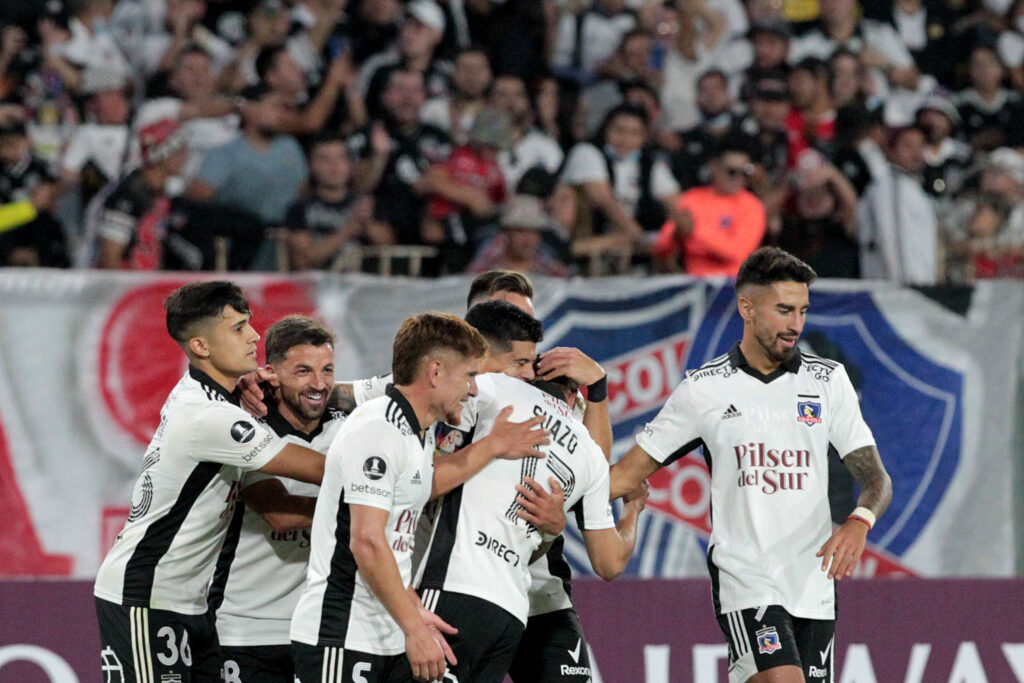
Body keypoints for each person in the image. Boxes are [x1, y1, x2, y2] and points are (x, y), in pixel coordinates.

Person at [610, 246, 893, 683]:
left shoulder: (827, 381)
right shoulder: (705, 390)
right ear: (747, 307)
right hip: (748, 580)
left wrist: (859, 521)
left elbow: (876, 478)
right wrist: (562, 493)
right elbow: (625, 475)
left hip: (813, 586)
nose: (795, 324)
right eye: (783, 310)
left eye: (801, 310)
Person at [289, 311, 546, 682]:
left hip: (383, 633)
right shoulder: (379, 428)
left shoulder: (417, 434)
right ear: (436, 372)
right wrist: (413, 626)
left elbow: (427, 483)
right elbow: (367, 541)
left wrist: (492, 446)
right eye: (470, 376)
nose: (473, 389)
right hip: (341, 634)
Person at [93, 281, 328, 683]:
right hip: (147, 596)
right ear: (201, 347)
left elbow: (277, 501)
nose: (254, 335)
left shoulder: (217, 398)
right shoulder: (209, 417)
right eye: (237, 329)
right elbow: (322, 468)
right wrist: (386, 471)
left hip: (191, 603)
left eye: (249, 323)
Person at [414, 301, 647, 683]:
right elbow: (608, 562)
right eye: (521, 362)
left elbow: (416, 470)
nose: (524, 372)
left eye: (530, 365)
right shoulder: (589, 453)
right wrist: (632, 510)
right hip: (512, 608)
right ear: (574, 397)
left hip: (456, 588)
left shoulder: (490, 391)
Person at [212, 315, 345, 683]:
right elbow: (280, 513)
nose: (319, 384)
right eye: (303, 371)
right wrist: (365, 506)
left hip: (317, 628)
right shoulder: (247, 432)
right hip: (246, 628)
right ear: (271, 373)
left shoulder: (348, 429)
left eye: (328, 370)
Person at [653, 138, 767, 277]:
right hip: (694, 284)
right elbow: (661, 247)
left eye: (745, 172)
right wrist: (677, 235)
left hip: (734, 286)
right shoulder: (692, 199)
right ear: (714, 167)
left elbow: (738, 251)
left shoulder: (752, 205)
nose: (739, 177)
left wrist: (695, 231)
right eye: (731, 171)